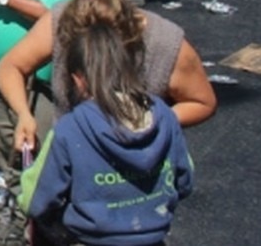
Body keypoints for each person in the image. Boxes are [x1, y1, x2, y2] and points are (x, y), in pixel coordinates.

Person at [19, 22, 193, 246]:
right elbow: (185, 180)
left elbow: (35, 200)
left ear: (78, 79)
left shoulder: (70, 130)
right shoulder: (165, 117)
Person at [0, 0, 216, 161]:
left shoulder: (167, 44)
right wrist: (24, 114)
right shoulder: (61, 21)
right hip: (74, 138)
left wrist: (149, 122)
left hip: (138, 151)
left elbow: (202, 102)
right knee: (5, 100)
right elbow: (11, 66)